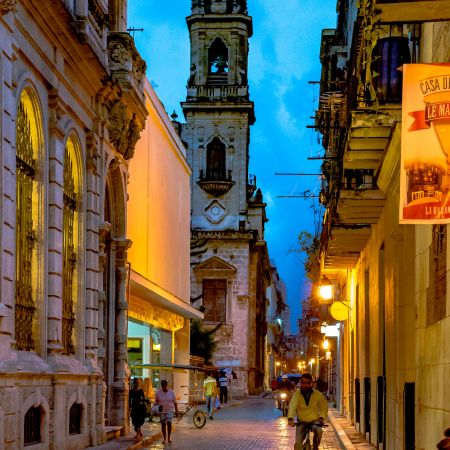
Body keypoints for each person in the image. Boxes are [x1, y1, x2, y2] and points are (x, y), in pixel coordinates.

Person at [288, 373, 328, 450]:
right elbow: (292, 406)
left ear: (311, 383)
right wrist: (290, 418)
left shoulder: (317, 394)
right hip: (301, 421)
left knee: (319, 432)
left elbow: (324, 407)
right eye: (303, 383)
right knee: (298, 445)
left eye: (308, 383)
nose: (305, 385)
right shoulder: (297, 394)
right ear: (300, 383)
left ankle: (315, 447)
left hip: (314, 421)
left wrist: (322, 417)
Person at [155, 380, 178, 445]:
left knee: (169, 423)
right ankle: (164, 438)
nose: (164, 387)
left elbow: (175, 402)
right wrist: (157, 411)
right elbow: (156, 402)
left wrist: (176, 411)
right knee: (163, 424)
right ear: (161, 386)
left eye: (165, 386)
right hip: (161, 410)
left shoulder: (172, 392)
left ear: (167, 385)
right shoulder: (158, 392)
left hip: (170, 410)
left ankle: (169, 437)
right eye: (163, 386)